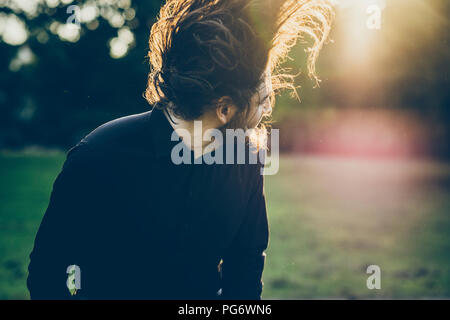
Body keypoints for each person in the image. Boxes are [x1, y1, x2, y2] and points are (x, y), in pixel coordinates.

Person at [27, 0, 333, 299]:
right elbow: (48, 273)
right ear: (225, 108)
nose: (269, 107)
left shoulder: (246, 158)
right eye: (264, 97)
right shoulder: (98, 157)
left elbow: (247, 260)